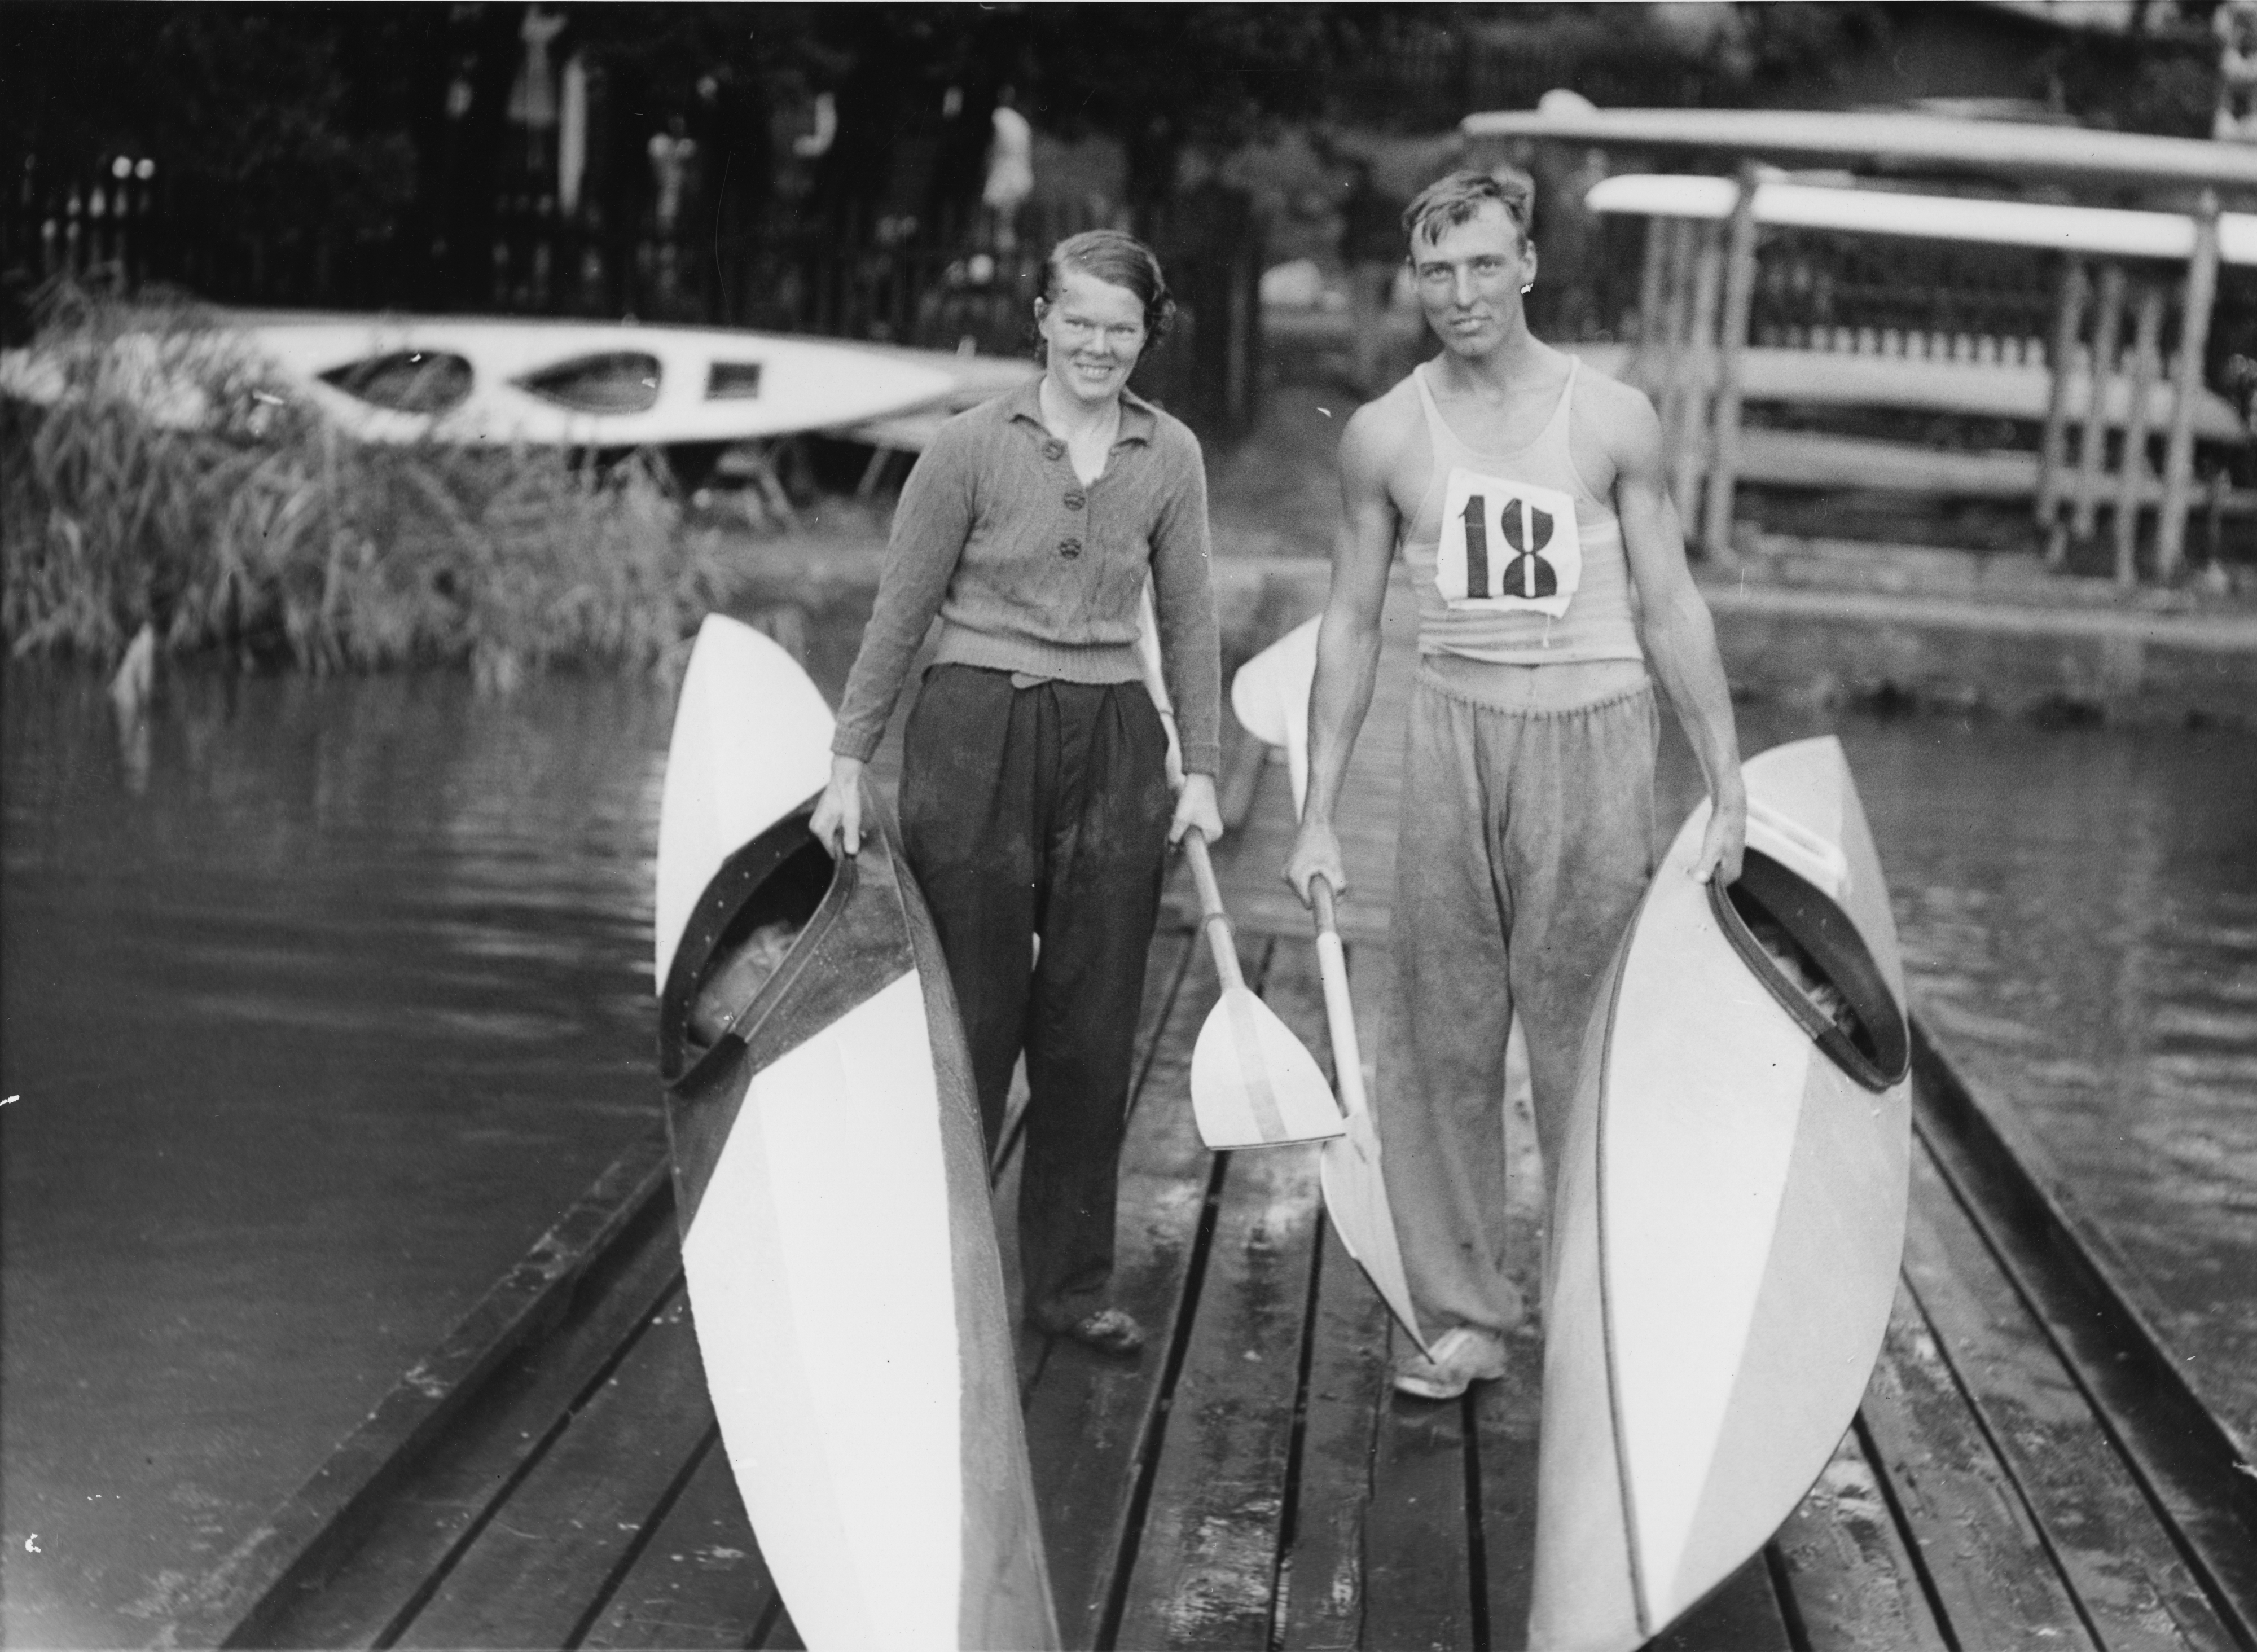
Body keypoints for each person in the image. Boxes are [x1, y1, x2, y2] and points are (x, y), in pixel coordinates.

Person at [1283, 170, 1746, 1400]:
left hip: (1592, 734)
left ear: (1528, 267)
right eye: (1435, 272)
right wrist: (1319, 808)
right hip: (1451, 734)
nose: (1459, 293)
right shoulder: (1384, 431)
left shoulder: (1611, 419)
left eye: (1483, 265)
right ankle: (1462, 1313)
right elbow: (1347, 625)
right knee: (1437, 1030)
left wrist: (1725, 785)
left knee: (1587, 1031)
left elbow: (1667, 605)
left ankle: (1604, 1301)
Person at [812, 230, 1224, 1357]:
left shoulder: (1169, 453)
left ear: (1149, 334)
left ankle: (1067, 1286)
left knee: (1090, 1027)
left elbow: (1187, 621)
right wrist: (849, 759)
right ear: (1040, 316)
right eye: (1078, 320)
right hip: (970, 734)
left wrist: (1201, 767)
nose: (1098, 345)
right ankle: (928, 1270)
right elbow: (900, 609)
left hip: (1115, 742)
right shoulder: (964, 448)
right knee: (967, 1018)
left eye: (1121, 327)